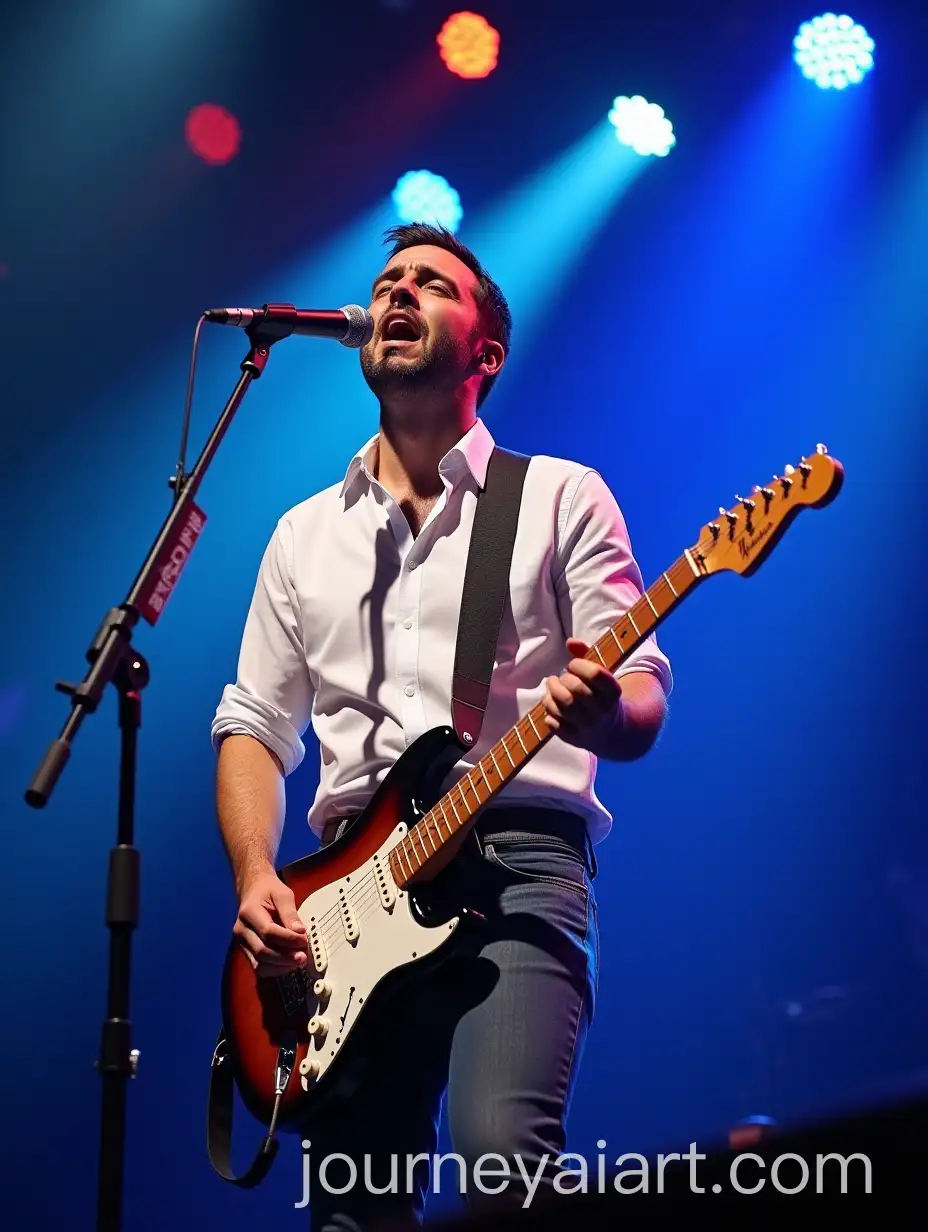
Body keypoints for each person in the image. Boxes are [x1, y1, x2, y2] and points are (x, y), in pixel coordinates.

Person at [210, 222, 672, 1229]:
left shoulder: (557, 496)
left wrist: (600, 711)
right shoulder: (303, 533)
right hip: (344, 901)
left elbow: (639, 700)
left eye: (430, 283)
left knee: (503, 1159)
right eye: (386, 283)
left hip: (515, 865)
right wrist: (257, 878)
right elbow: (251, 723)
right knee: (350, 1210)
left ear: (485, 352)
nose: (398, 294)